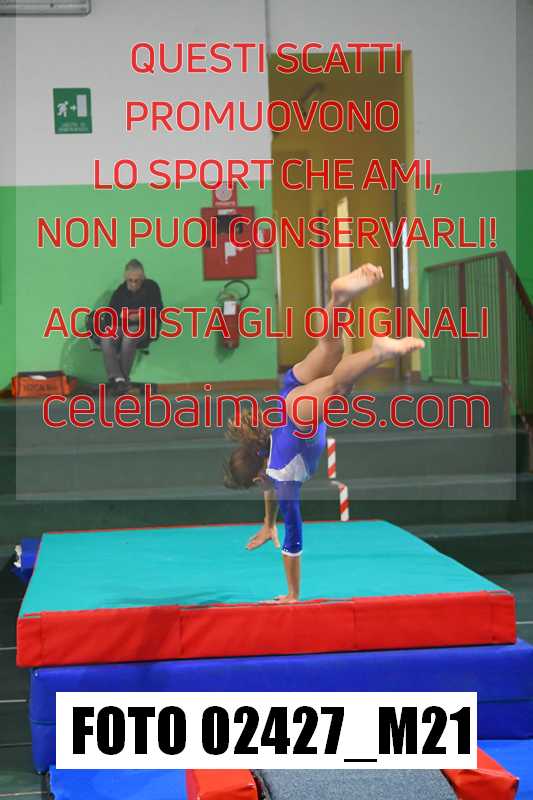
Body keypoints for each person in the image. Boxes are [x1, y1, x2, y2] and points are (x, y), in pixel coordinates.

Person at [224, 263, 424, 602]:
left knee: (338, 385)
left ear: (258, 477)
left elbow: (294, 539)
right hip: (289, 391)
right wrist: (268, 523)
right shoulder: (268, 456)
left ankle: (378, 351)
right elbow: (269, 492)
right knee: (331, 348)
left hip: (298, 415)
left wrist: (293, 593)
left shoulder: (284, 479)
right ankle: (339, 298)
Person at [99, 259, 163, 393]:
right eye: (130, 280)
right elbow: (110, 314)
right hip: (122, 325)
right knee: (106, 336)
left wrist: (141, 315)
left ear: (143, 277)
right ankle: (118, 380)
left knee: (130, 336)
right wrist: (122, 316)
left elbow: (158, 310)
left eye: (137, 281)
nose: (133, 284)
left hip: (144, 326)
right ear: (125, 278)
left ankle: (121, 381)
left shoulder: (152, 287)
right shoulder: (120, 290)